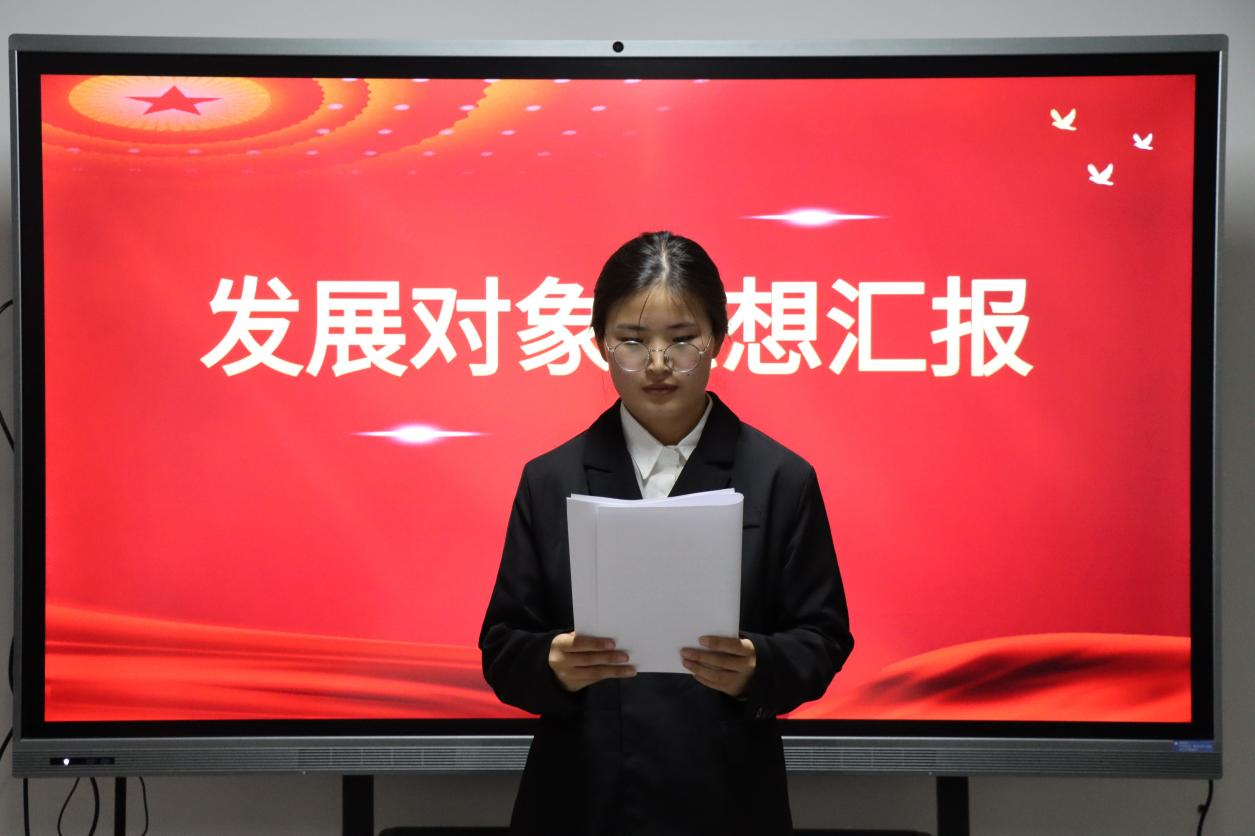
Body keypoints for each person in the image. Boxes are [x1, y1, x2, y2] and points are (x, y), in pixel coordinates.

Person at [479, 231, 853, 836]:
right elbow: (501, 646)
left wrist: (757, 666)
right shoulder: (551, 479)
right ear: (600, 344)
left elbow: (823, 638)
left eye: (682, 340)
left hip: (725, 796)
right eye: (632, 341)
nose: (657, 364)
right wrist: (552, 663)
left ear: (718, 339)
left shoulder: (780, 477)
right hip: (583, 794)